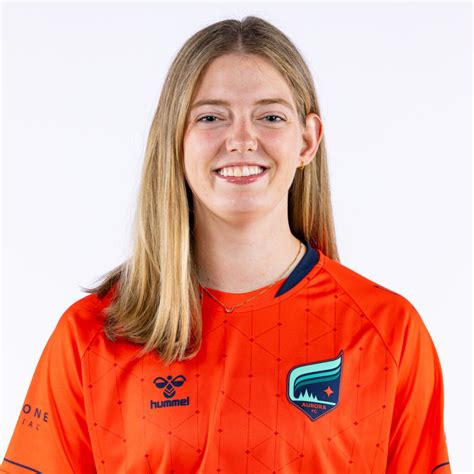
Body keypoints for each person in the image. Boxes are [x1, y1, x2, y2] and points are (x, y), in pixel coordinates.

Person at [1, 16, 451, 474]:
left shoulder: (388, 331)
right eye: (211, 117)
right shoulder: (92, 334)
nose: (241, 140)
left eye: (270, 116)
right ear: (175, 140)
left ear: (307, 141)